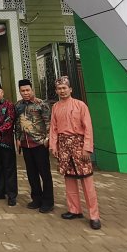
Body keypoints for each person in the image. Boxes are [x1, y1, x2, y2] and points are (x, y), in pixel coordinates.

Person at [49, 76, 101, 230]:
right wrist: (53, 146)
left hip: (79, 144)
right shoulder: (55, 107)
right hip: (63, 145)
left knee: (87, 180)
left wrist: (87, 147)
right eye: (59, 89)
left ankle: (94, 215)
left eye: (64, 88)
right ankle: (74, 209)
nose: (62, 91)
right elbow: (53, 128)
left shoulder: (80, 105)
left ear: (70, 89)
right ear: (56, 91)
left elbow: (88, 127)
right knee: (69, 178)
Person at [15, 79, 54, 213]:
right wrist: (18, 138)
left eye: (27, 90)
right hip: (26, 144)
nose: (25, 93)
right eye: (23, 91)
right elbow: (18, 123)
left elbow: (48, 123)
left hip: (39, 144)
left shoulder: (41, 104)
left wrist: (47, 139)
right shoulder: (18, 105)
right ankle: (36, 198)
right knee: (31, 173)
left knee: (44, 173)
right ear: (20, 92)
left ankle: (48, 201)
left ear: (32, 90)